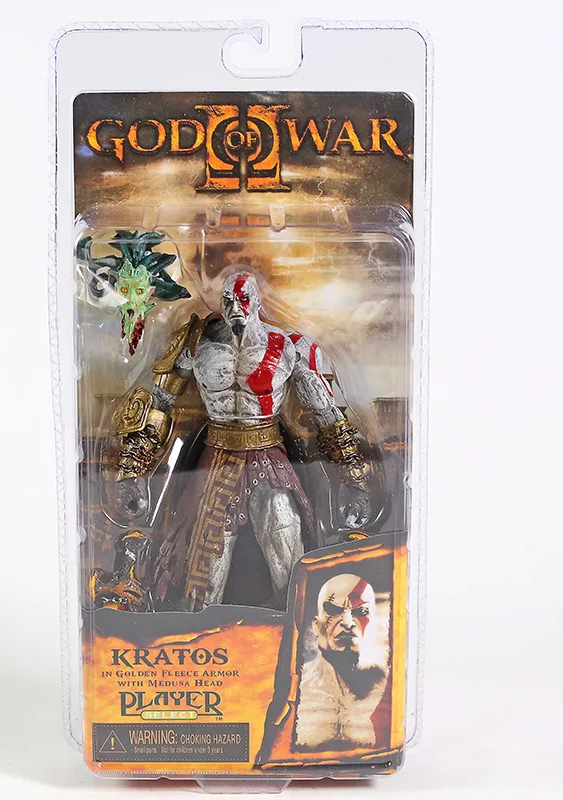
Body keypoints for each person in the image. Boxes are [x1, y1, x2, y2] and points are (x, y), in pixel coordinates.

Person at [114, 271, 374, 610]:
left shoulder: (288, 347)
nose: (236, 307)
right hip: (216, 459)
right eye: (229, 300)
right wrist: (132, 473)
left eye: (243, 299)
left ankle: (296, 628)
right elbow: (158, 405)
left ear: (257, 301)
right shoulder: (196, 344)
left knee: (288, 551)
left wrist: (354, 482)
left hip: (269, 456)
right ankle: (201, 635)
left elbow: (327, 414)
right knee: (204, 567)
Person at [294, 573, 388, 749]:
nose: (347, 622)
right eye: (334, 611)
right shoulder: (295, 686)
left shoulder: (389, 686)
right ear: (316, 626)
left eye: (361, 612)